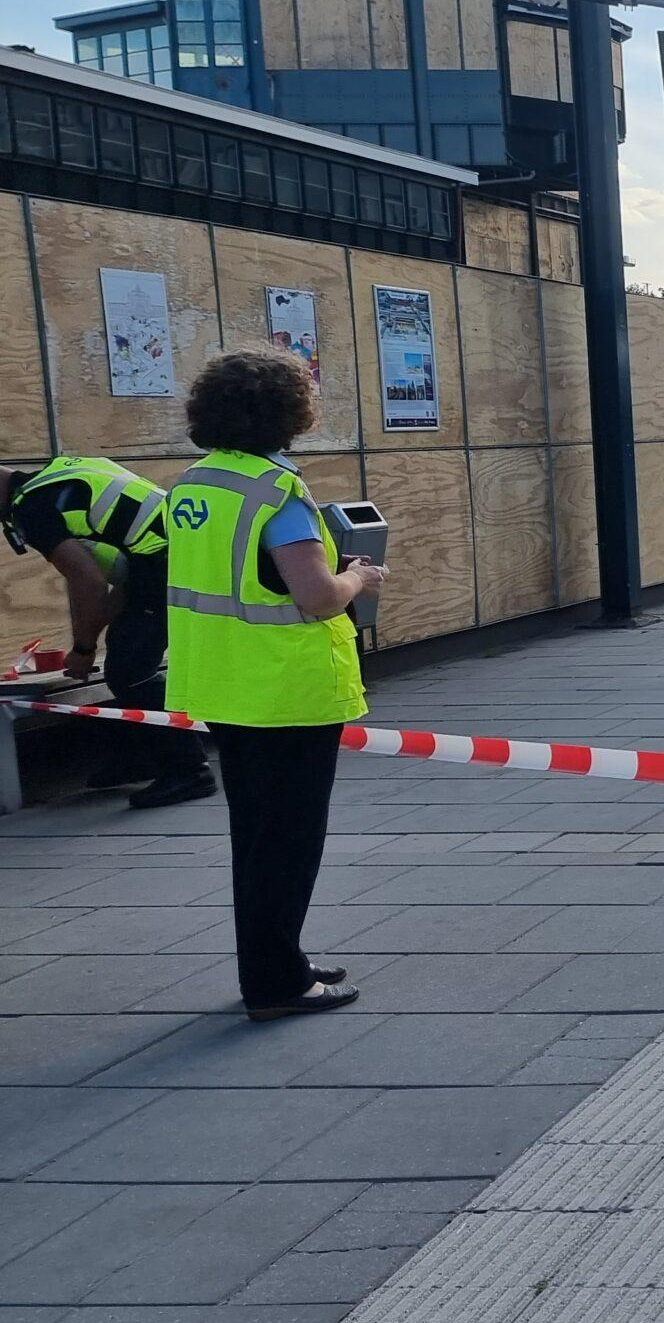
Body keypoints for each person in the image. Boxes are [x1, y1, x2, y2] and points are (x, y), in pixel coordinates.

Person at [166, 350, 387, 1021]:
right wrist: (361, 578)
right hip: (286, 688)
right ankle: (277, 981)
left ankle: (274, 960)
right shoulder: (276, 492)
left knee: (255, 834)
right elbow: (317, 596)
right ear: (289, 414)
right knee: (289, 840)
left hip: (224, 682)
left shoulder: (195, 484)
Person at [0, 455, 217, 807]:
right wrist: (89, 640)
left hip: (169, 564)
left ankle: (190, 770)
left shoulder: (32, 509)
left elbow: (89, 581)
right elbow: (122, 571)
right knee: (125, 655)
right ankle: (143, 758)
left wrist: (84, 648)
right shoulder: (59, 474)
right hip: (173, 554)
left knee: (131, 669)